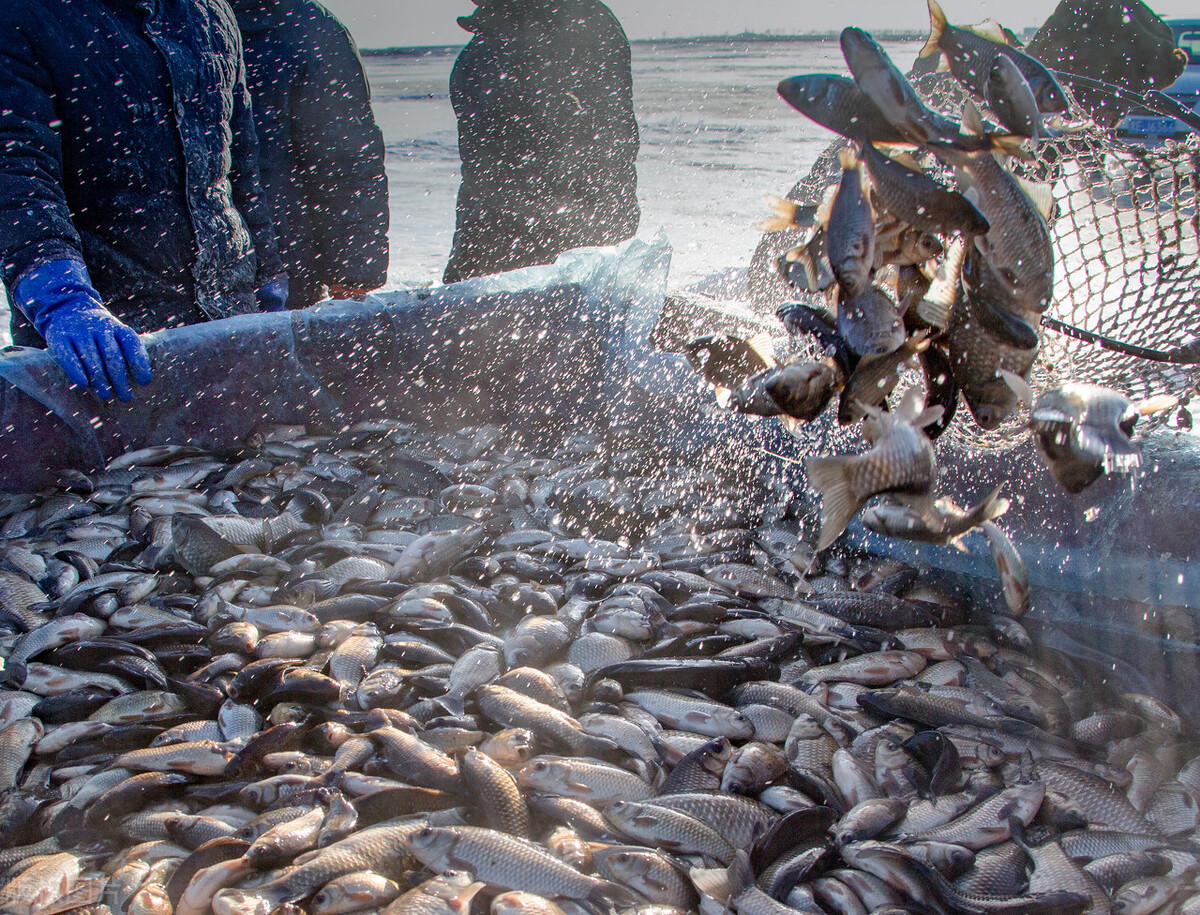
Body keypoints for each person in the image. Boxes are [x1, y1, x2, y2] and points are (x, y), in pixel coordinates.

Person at [0, 0, 287, 403]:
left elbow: (239, 163)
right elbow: (16, 168)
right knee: (123, 464)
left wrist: (267, 278)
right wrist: (63, 297)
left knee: (260, 458)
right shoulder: (20, 14)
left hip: (231, 317)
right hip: (108, 338)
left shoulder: (210, 9)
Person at [443, 0, 641, 285]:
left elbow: (611, 140)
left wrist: (610, 239)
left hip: (574, 243)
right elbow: (478, 173)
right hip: (497, 243)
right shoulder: (480, 52)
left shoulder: (580, 21)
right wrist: (465, 261)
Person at [233, 0, 390, 309]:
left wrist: (351, 274)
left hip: (285, 271)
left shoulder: (307, 29)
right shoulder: (182, 20)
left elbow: (345, 163)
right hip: (190, 274)